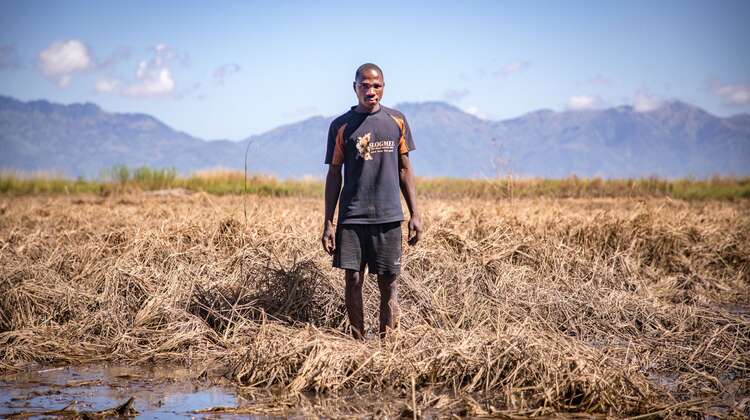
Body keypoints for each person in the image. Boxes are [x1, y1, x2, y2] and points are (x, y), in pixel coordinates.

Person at [321, 63, 422, 340]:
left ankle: (387, 343)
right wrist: (329, 221)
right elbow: (333, 174)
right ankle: (357, 340)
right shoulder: (340, 126)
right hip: (352, 218)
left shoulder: (396, 121)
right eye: (364, 85)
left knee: (388, 282)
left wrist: (415, 214)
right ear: (354, 88)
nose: (371, 90)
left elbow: (404, 169)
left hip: (389, 217)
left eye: (376, 85)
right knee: (353, 279)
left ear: (383, 88)